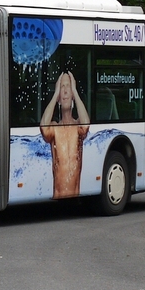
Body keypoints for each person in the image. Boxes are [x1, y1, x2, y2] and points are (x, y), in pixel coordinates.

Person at [40, 71, 90, 199]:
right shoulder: (55, 128)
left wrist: (75, 91)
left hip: (76, 196)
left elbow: (86, 125)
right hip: (57, 197)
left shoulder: (78, 126)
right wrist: (55, 94)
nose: (66, 91)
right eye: (62, 87)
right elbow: (43, 128)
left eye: (68, 86)